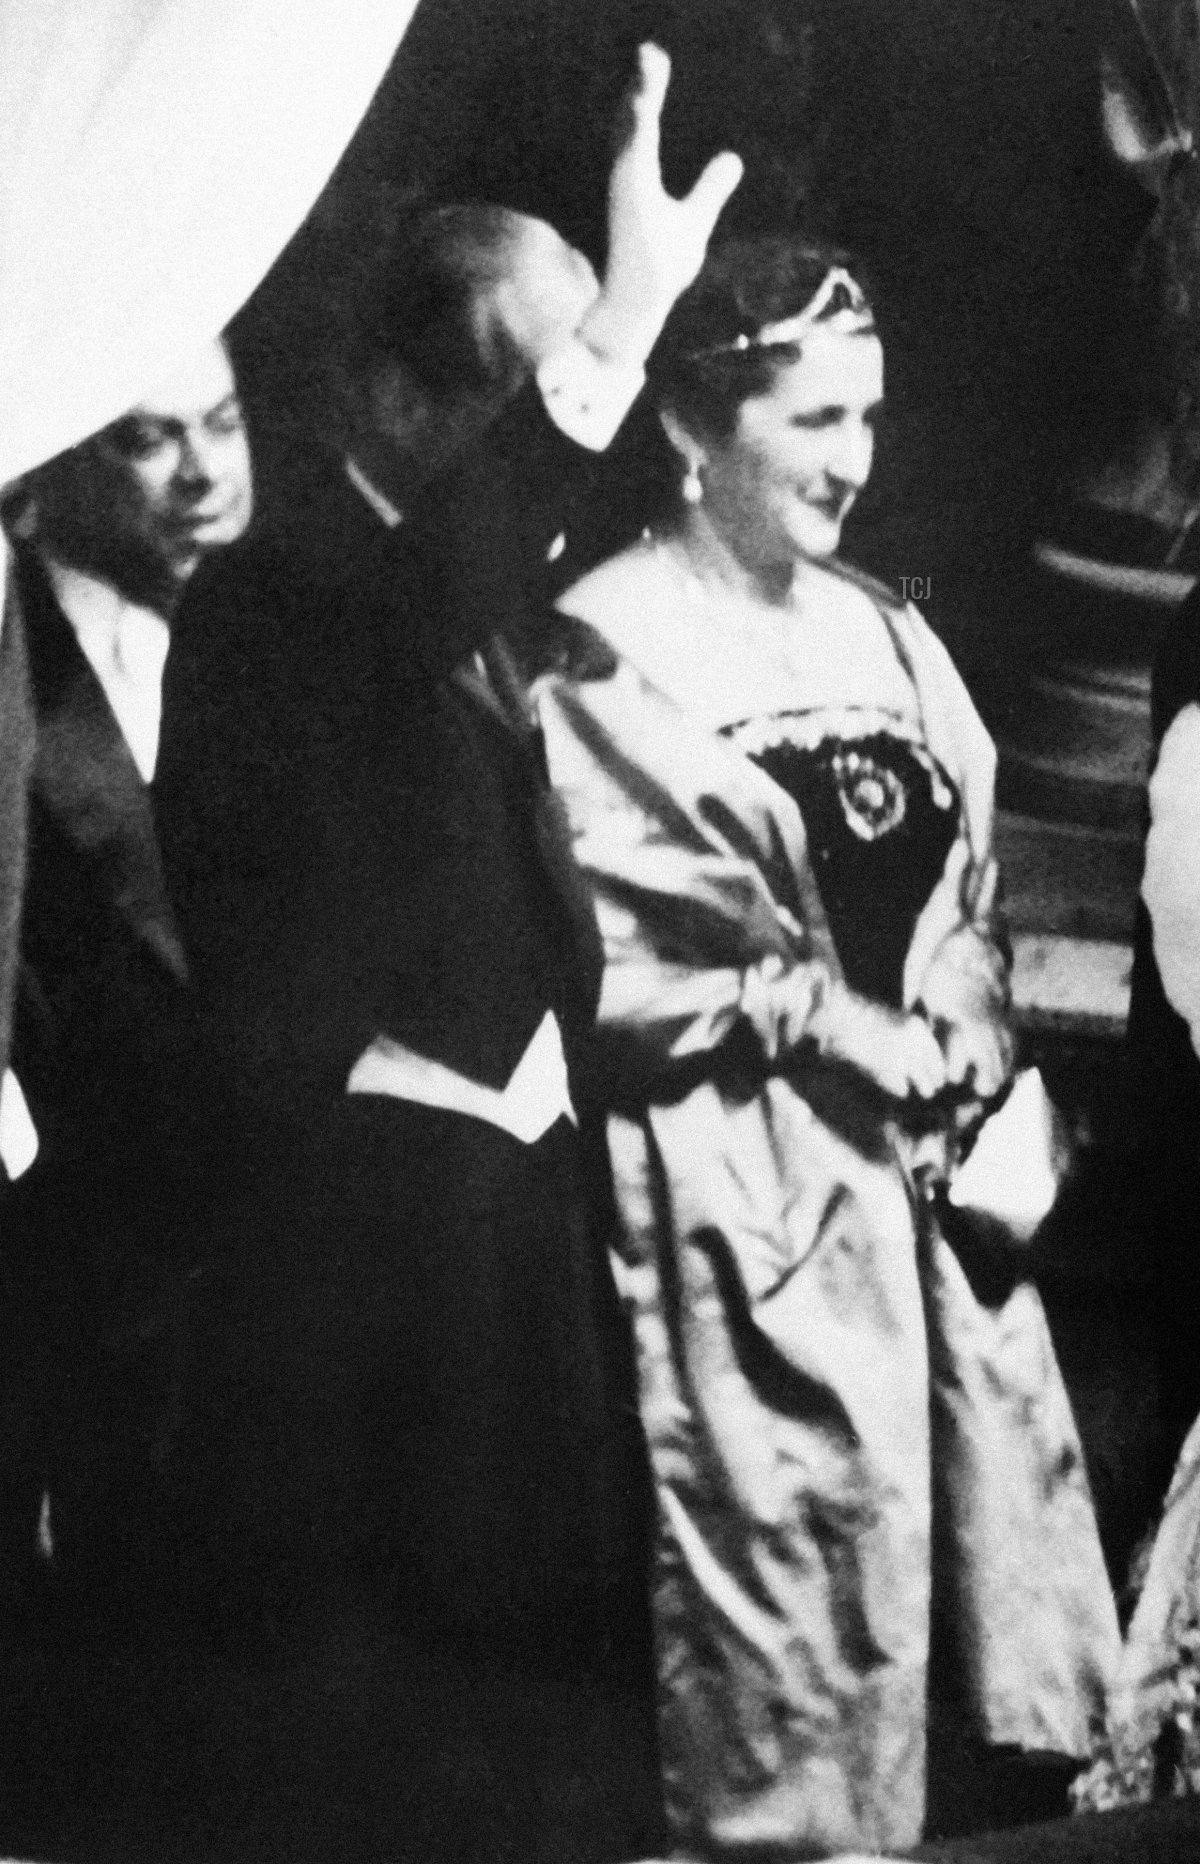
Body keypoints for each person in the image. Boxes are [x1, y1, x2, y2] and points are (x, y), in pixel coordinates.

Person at [137, 48, 742, 1864]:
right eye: (514, 392)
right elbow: (415, 615)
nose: (556, 451)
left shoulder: (450, 573)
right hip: (347, 1267)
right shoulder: (287, 585)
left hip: (517, 1234)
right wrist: (623, 323)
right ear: (395, 394)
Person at [530, 236, 1119, 1857]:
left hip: (926, 1197)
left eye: (871, 417)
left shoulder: (885, 631)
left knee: (961, 1648)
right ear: (695, 429)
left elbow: (962, 887)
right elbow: (642, 953)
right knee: (782, 1645)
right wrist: (839, 1019)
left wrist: (966, 999)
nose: (857, 462)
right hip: (736, 1206)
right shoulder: (605, 642)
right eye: (814, 420)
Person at [0, 339, 253, 1597]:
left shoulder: (291, 639)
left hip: (277, 1307)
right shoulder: (14, 663)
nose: (204, 474)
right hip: (69, 1302)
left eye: (223, 422)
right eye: (146, 439)